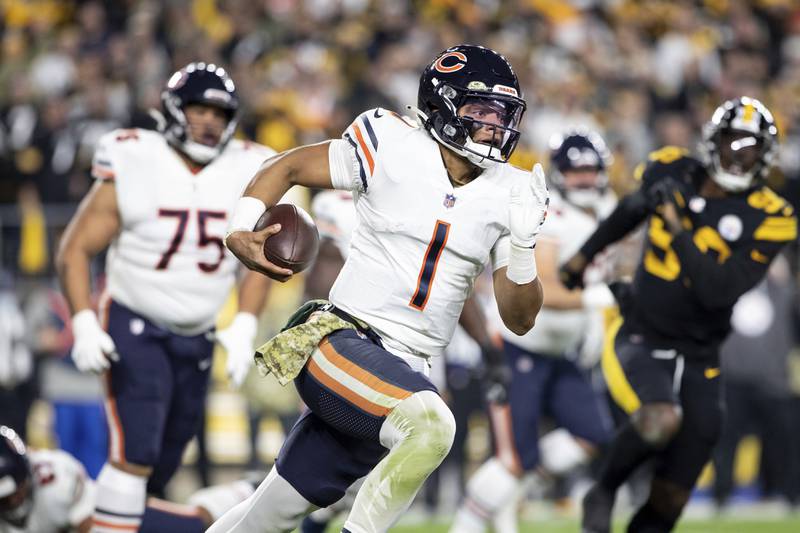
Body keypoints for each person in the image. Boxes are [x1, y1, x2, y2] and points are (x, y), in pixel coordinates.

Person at [214, 44, 548, 533]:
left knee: (266, 517)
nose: (494, 124)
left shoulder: (512, 191)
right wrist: (242, 227)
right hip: (342, 340)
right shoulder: (390, 141)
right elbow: (286, 167)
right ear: (442, 106)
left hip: (404, 373)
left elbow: (519, 318)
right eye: (480, 110)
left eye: (502, 112)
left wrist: (522, 246)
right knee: (433, 427)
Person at [56, 62, 276, 532]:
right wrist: (83, 320)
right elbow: (76, 248)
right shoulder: (135, 154)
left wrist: (244, 324)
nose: (209, 121)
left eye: (220, 112)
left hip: (197, 334)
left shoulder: (250, 165)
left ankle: (95, 520)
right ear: (174, 108)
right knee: (135, 451)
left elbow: (259, 254)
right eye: (199, 108)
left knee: (162, 463)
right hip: (134, 320)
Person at [559, 96, 797, 533]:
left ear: (765, 155)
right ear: (713, 142)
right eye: (732, 142)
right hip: (643, 334)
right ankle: (605, 487)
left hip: (702, 353)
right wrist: (582, 258)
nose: (740, 155)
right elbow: (631, 210)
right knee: (660, 417)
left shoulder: (773, 216)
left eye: (752, 147)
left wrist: (676, 225)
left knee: (671, 498)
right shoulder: (673, 167)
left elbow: (717, 291)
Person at [450, 130, 618, 533]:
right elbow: (541, 288)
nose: (585, 179)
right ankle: (466, 524)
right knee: (512, 459)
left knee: (594, 435)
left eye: (591, 170)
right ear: (559, 174)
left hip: (561, 351)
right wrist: (594, 300)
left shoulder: (605, 210)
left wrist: (593, 320)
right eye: (576, 171)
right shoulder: (551, 212)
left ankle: (516, 484)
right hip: (516, 347)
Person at [0, 425, 258, 533]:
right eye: (5, 499)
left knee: (193, 525)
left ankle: (247, 491)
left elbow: (92, 527)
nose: (15, 500)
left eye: (17, 491)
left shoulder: (55, 479)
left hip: (108, 520)